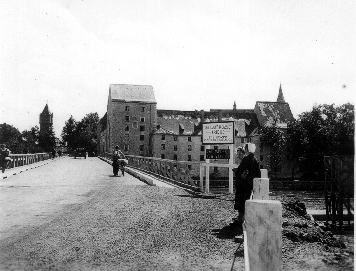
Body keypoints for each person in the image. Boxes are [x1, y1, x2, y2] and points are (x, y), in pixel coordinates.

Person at [233, 143, 261, 222]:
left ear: (247, 149)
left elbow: (240, 170)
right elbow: (257, 172)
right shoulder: (255, 159)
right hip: (250, 183)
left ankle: (240, 218)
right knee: (247, 199)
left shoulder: (246, 159)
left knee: (241, 200)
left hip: (243, 183)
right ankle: (243, 217)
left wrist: (236, 171)